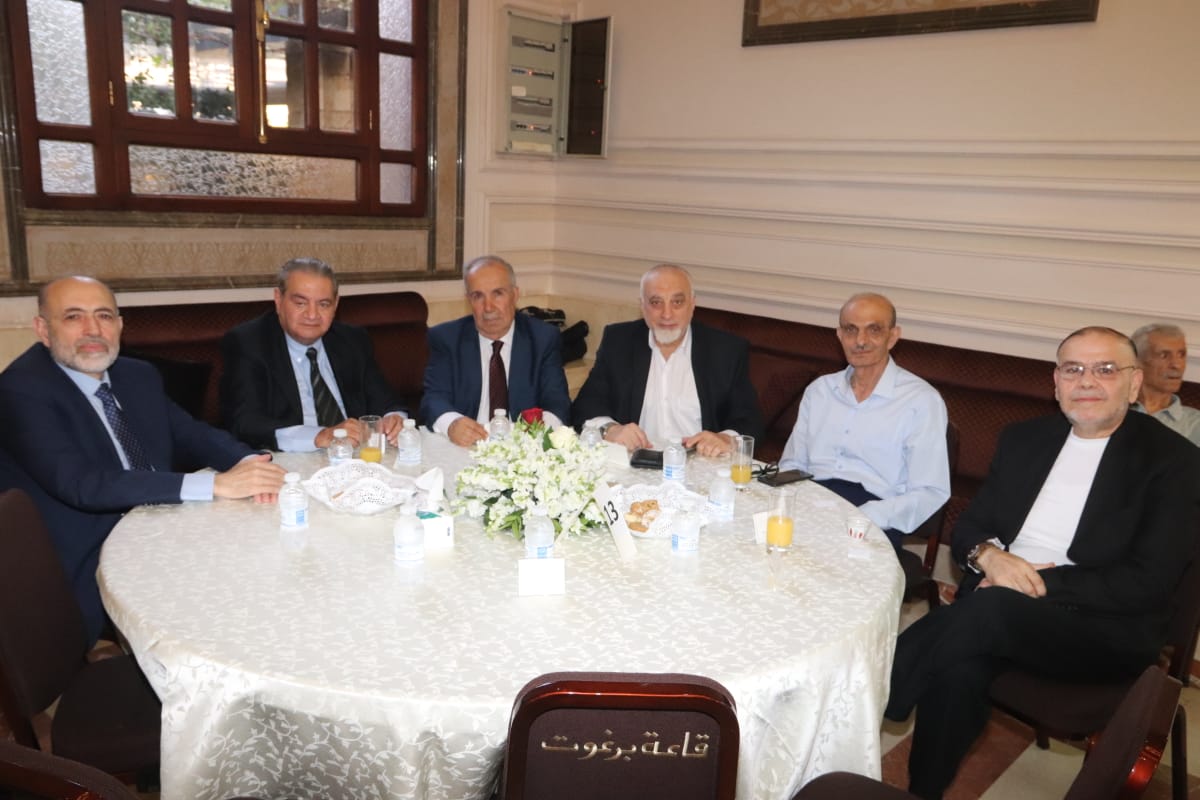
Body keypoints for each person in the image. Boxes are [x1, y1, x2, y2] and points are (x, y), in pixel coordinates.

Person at [886, 326, 1200, 800]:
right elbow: (971, 525)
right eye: (1073, 369)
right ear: (1056, 382)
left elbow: (1147, 582)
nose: (1086, 381)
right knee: (958, 669)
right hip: (995, 610)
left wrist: (1029, 582)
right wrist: (989, 556)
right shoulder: (1024, 439)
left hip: (1103, 628)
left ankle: (874, 692)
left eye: (1105, 369)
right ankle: (922, 793)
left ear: (1134, 383)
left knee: (981, 613)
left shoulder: (1175, 462)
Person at [0, 276, 286, 644]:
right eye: (73, 317)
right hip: (88, 551)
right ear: (43, 329)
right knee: (222, 607)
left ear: (120, 325)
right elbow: (82, 484)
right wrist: (217, 484)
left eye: (104, 316)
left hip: (161, 524)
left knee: (268, 563)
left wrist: (253, 463)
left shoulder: (137, 375)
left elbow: (193, 434)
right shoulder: (21, 390)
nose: (92, 329)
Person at [778, 292, 949, 551]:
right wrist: (794, 503)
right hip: (811, 505)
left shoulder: (921, 401)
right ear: (839, 335)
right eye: (851, 330)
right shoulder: (820, 391)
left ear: (893, 336)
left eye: (874, 330)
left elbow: (930, 491)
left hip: (874, 518)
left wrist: (864, 515)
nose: (860, 341)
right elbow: (793, 464)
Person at [571, 264, 763, 456]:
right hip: (635, 462)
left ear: (692, 304)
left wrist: (725, 439)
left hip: (701, 463)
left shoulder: (725, 350)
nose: (667, 314)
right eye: (656, 302)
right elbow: (585, 406)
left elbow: (750, 421)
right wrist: (611, 429)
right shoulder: (619, 342)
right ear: (642, 306)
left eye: (677, 302)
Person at [221, 258, 406, 451]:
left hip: (355, 456)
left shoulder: (352, 340)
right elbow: (245, 423)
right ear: (278, 299)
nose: (312, 315)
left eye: (323, 304)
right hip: (291, 459)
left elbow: (387, 401)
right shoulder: (248, 343)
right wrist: (319, 436)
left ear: (336, 304)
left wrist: (394, 419)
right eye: (300, 303)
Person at [1131, 322, 1200, 446]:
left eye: (1181, 355)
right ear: (1137, 361)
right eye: (1164, 355)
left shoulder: (1195, 424)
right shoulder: (1112, 410)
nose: (1177, 365)